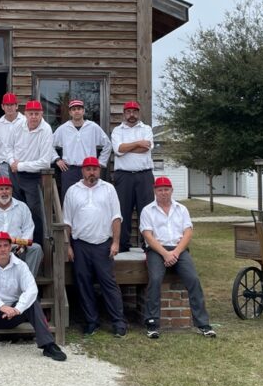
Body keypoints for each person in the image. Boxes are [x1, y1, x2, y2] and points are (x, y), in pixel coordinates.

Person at [0, 231, 67, 364]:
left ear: (11, 247)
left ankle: (48, 344)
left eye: (6, 245)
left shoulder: (21, 266)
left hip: (15, 315)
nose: (3, 249)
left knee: (33, 300)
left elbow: (31, 289)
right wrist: (1, 307)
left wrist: (17, 309)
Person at [140, 176, 216, 339]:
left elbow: (188, 233)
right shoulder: (147, 210)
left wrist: (175, 253)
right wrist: (165, 253)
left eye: (166, 189)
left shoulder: (181, 209)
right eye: (160, 190)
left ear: (172, 191)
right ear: (155, 191)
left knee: (193, 279)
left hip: (179, 249)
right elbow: (148, 235)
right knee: (155, 279)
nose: (163, 193)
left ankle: (203, 324)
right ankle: (152, 323)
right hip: (156, 250)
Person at [63, 157, 127, 337]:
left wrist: (115, 242)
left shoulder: (109, 189)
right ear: (82, 171)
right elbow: (67, 221)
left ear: (99, 171)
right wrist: (67, 246)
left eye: (95, 169)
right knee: (83, 284)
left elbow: (116, 217)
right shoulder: (72, 191)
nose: (92, 172)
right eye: (88, 169)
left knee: (108, 283)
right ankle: (91, 321)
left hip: (103, 244)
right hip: (80, 244)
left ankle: (118, 322)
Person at [1, 99, 56, 246]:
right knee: (15, 207)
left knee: (34, 211)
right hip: (15, 173)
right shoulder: (18, 126)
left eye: (36, 114)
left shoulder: (46, 130)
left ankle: (36, 244)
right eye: (31, 113)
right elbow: (7, 148)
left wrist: (20, 166)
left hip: (33, 176)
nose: (33, 117)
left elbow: (45, 162)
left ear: (41, 114)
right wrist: (12, 161)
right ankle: (15, 242)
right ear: (25, 114)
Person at [110, 100, 155, 253]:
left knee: (147, 210)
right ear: (124, 113)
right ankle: (122, 245)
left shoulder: (146, 129)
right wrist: (137, 144)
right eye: (128, 112)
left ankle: (148, 244)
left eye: (134, 111)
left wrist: (127, 148)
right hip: (124, 176)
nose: (131, 115)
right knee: (123, 211)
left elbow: (146, 148)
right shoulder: (117, 131)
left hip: (144, 176)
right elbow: (118, 149)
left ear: (138, 113)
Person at [0, 176, 44, 277]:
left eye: (7, 189)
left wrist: (23, 243)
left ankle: (27, 284)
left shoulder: (22, 207)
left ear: (11, 191)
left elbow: (28, 229)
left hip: (17, 249)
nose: (4, 192)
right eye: (1, 189)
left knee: (36, 248)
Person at [53, 98, 112, 202]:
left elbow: (107, 144)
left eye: (79, 109)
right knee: (69, 200)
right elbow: (48, 145)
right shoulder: (63, 128)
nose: (77, 111)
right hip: (69, 170)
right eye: (74, 109)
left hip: (89, 170)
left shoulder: (93, 127)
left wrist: (100, 163)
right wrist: (57, 159)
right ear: (70, 112)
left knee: (91, 199)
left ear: (83, 111)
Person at [0, 92, 26, 180]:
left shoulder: (25, 121)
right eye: (6, 105)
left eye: (12, 104)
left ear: (16, 106)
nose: (9, 107)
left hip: (23, 164)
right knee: (6, 193)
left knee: (23, 193)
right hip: (5, 166)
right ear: (2, 106)